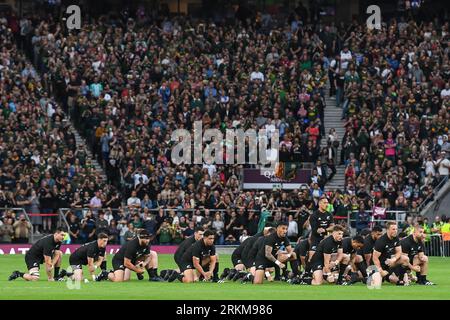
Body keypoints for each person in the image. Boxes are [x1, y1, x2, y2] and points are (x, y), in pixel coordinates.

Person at [372, 221, 410, 286]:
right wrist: (380, 270)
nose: (396, 231)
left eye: (396, 229)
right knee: (376, 284)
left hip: (390, 262)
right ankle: (384, 277)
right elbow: (375, 258)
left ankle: (401, 280)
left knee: (405, 259)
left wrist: (394, 259)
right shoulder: (381, 241)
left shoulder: (396, 238)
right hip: (381, 265)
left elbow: (399, 252)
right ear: (387, 230)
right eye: (393, 229)